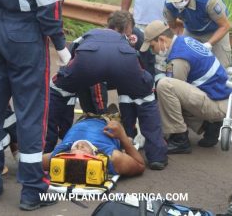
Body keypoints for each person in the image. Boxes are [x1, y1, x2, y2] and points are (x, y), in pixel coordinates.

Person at [0, 0, 69, 210]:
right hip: (23, 31)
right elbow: (48, 4)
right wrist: (61, 46)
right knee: (31, 113)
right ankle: (33, 189)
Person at [47, 24, 168, 170]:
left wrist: (65, 133)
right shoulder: (112, 156)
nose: (79, 148)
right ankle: (157, 156)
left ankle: (46, 145)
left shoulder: (86, 36)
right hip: (123, 61)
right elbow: (139, 164)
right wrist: (124, 137)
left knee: (59, 91)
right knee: (143, 97)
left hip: (89, 61)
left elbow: (67, 72)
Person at [140, 20, 231, 154]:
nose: (153, 52)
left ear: (161, 39)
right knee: (169, 89)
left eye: (153, 47)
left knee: (165, 87)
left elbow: (171, 99)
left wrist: (157, 128)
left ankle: (179, 138)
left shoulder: (178, 59)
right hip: (221, 100)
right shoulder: (183, 40)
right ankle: (210, 126)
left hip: (218, 106)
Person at [43, 116, 145, 177]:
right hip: (107, 121)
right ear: (95, 157)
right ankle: (126, 136)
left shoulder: (56, 157)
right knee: (128, 138)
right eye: (83, 150)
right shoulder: (113, 158)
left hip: (82, 119)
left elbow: (31, 164)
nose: (79, 145)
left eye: (74, 150)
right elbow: (140, 165)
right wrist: (123, 136)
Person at [163, 0, 232, 68]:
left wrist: (209, 44)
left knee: (221, 66)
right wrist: (180, 42)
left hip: (215, 30)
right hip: (190, 31)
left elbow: (225, 26)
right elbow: (173, 26)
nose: (177, 2)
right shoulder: (169, 5)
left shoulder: (209, 0)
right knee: (185, 62)